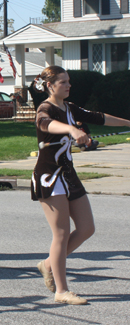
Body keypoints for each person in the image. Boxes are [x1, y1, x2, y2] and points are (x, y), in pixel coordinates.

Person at [31, 65, 130, 305]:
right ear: (50, 86)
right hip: (49, 177)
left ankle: (47, 264)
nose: (68, 85)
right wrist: (72, 129)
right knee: (62, 234)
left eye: (68, 81)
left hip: (68, 175)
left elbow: (100, 117)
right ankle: (61, 291)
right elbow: (45, 124)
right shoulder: (45, 108)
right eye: (63, 82)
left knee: (86, 228)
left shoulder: (70, 107)